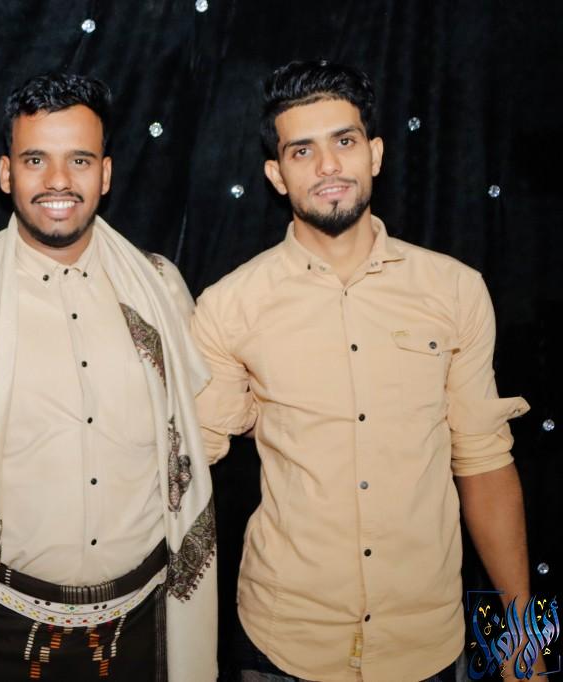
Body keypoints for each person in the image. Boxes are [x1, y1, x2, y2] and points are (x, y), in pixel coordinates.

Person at [191, 60, 533, 681]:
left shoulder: (455, 288)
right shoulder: (229, 305)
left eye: (344, 141)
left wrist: (526, 644)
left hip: (428, 644)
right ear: (276, 175)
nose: (327, 166)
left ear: (374, 153)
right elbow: (187, 459)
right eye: (302, 151)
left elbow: (485, 462)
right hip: (280, 642)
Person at [0, 73, 218, 681]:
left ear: (105, 174)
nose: (58, 180)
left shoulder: (161, 288)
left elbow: (201, 429)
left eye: (78, 160)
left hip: (146, 625)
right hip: (11, 633)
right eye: (36, 160)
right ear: (6, 174)